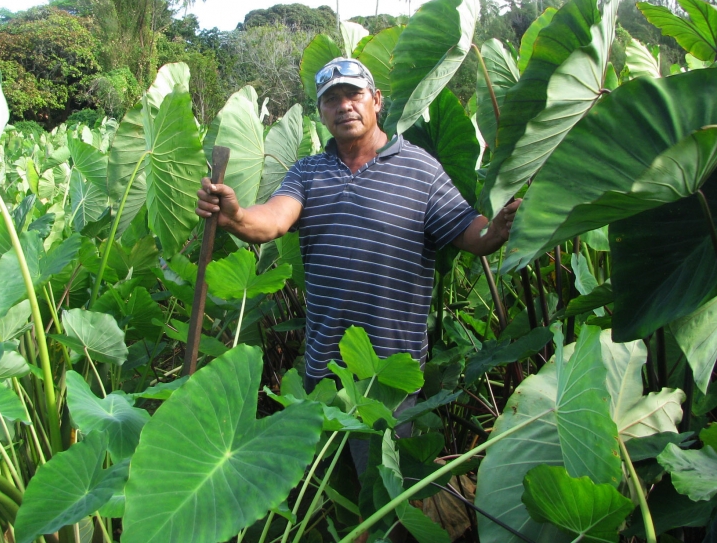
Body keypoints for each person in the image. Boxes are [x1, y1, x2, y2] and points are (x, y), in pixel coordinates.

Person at [196, 57, 520, 392]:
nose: (344, 106)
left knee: (381, 445)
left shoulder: (421, 169)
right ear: (320, 112)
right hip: (324, 367)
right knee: (325, 446)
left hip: (389, 373)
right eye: (331, 100)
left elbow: (468, 232)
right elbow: (274, 219)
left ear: (377, 100)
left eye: (355, 95)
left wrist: (497, 229)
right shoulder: (307, 172)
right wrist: (236, 216)